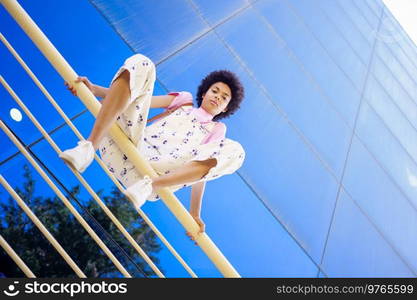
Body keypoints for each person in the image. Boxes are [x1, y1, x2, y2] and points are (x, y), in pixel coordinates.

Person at [60, 53, 245, 241]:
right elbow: (137, 97)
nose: (218, 97)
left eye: (224, 98)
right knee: (143, 63)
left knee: (237, 152)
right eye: (215, 91)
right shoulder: (184, 101)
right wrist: (94, 90)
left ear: (225, 109)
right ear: (204, 92)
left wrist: (194, 214)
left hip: (154, 177)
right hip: (128, 147)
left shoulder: (216, 129)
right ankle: (88, 146)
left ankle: (149, 186)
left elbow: (202, 172)